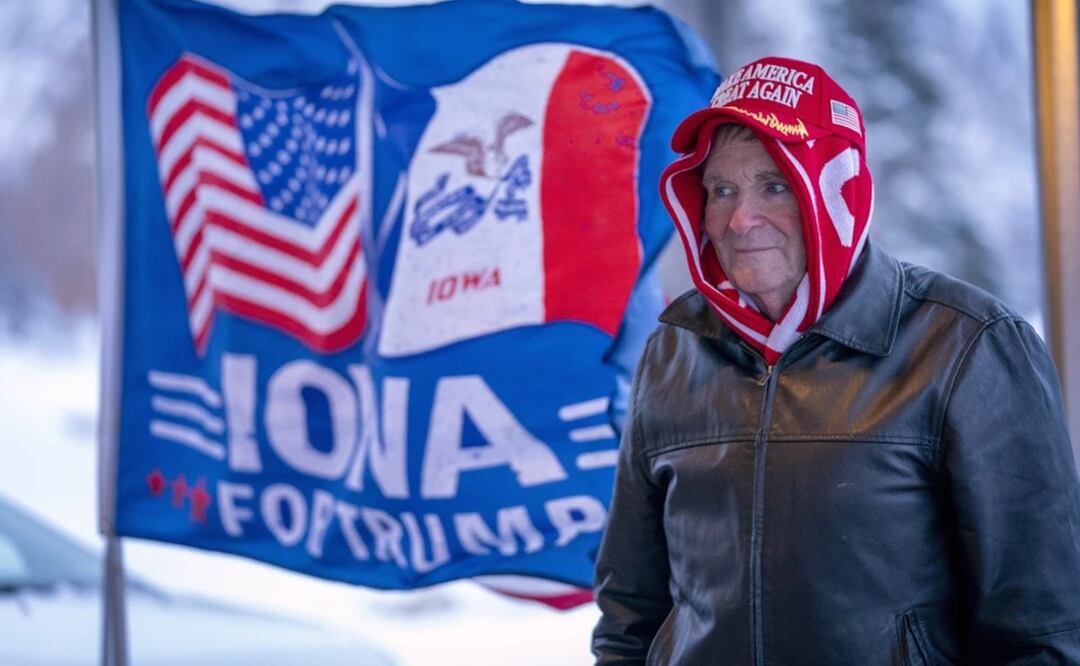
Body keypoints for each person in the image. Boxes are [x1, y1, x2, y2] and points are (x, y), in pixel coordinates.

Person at [592, 55, 1080, 665]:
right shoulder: (673, 347)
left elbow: (1040, 630)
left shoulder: (967, 343)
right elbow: (630, 613)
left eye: (776, 185)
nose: (740, 219)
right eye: (721, 190)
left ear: (833, 190)